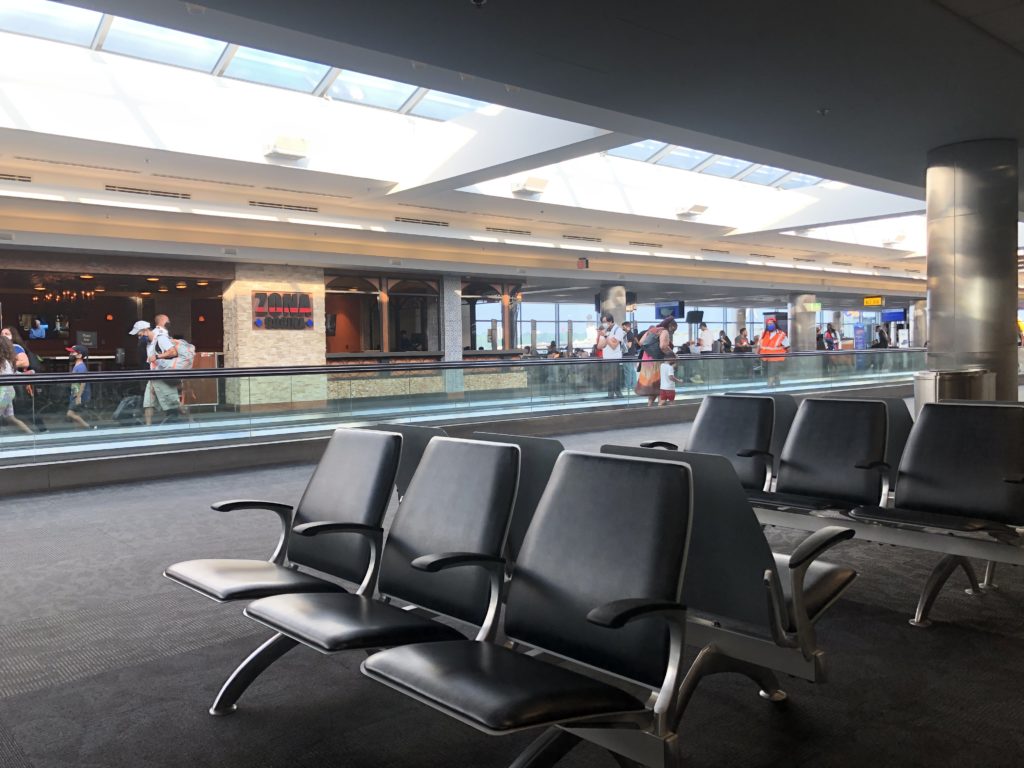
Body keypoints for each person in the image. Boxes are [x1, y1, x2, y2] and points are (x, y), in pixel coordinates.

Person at [131, 319, 185, 426]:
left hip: (163, 376)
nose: (139, 338)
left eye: (140, 335)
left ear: (146, 330)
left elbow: (173, 352)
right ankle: (148, 427)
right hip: (153, 377)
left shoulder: (161, 339)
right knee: (148, 403)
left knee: (173, 404)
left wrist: (157, 356)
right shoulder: (148, 344)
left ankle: (190, 420)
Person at [2, 326, 47, 432]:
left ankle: (42, 429)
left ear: (13, 336)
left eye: (6, 333)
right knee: (14, 412)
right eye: (2, 333)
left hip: (19, 384)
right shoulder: (4, 349)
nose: (3, 335)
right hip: (13, 384)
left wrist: (8, 365)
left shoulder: (16, 347)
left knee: (24, 409)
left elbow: (25, 362)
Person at [635, 317, 677, 406]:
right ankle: (661, 407)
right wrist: (672, 355)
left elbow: (641, 342)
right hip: (657, 362)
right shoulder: (664, 332)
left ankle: (649, 407)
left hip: (646, 362)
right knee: (660, 386)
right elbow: (662, 346)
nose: (673, 331)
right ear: (671, 326)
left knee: (652, 388)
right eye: (674, 329)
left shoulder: (652, 330)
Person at [0, 335, 33, 435]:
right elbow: (13, 374)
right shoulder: (8, 362)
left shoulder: (2, 362)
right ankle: (31, 434)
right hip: (9, 392)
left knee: (9, 417)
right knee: (10, 417)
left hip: (3, 393)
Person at [64, 344, 94, 429]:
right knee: (76, 415)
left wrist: (78, 397)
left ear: (80, 355)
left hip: (78, 395)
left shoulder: (80, 367)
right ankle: (79, 432)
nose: (70, 354)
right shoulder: (77, 366)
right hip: (75, 394)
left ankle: (89, 428)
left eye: (73, 352)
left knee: (70, 414)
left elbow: (83, 382)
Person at [596, 311, 625, 397]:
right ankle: (610, 395)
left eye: (605, 322)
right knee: (609, 378)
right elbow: (599, 346)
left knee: (615, 378)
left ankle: (618, 395)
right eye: (602, 322)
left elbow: (613, 346)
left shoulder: (618, 330)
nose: (604, 324)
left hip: (615, 359)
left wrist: (605, 337)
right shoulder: (604, 331)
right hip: (606, 358)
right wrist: (608, 339)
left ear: (611, 321)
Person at [757, 315, 790, 387]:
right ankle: (778, 385)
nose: (769, 325)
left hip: (776, 359)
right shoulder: (763, 333)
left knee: (771, 373)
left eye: (771, 324)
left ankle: (769, 387)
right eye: (768, 324)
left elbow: (787, 347)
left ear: (775, 324)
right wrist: (757, 355)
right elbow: (759, 345)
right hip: (765, 358)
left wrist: (788, 357)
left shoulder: (781, 334)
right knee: (774, 373)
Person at [620, 320, 638, 393]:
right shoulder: (630, 334)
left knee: (628, 371)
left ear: (627, 326)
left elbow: (629, 346)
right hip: (631, 355)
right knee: (632, 370)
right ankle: (633, 385)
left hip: (628, 355)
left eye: (623, 326)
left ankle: (627, 386)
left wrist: (622, 343)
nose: (622, 328)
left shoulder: (629, 334)